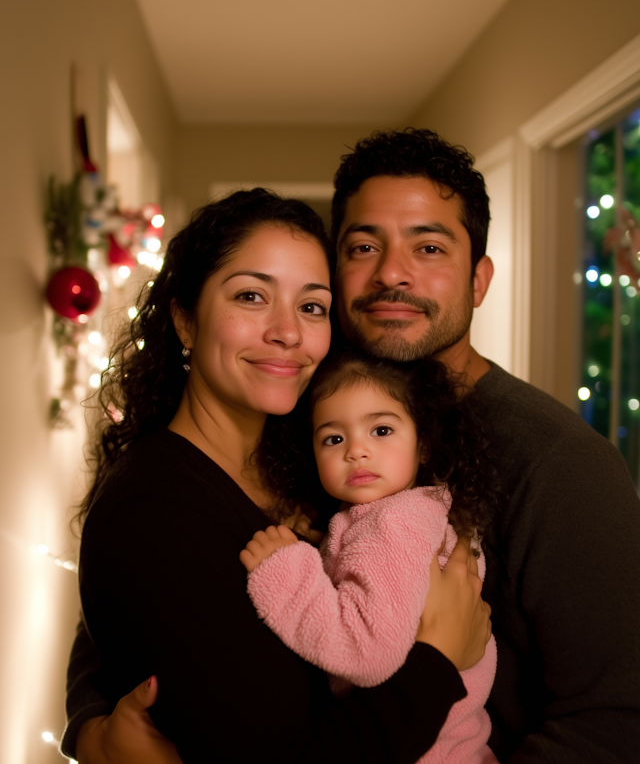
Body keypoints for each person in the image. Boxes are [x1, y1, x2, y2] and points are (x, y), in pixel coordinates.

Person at [65, 128, 640, 763]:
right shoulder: (304, 416)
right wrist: (94, 721)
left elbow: (611, 724)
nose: (393, 273)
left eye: (428, 246)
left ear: (478, 281)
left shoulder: (561, 465)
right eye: (365, 246)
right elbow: (151, 596)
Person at [66, 187, 491, 764]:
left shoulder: (315, 459)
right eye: (251, 296)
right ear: (185, 320)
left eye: (311, 306)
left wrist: (87, 716)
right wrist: (441, 657)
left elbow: (131, 627)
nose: (288, 332)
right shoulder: (156, 508)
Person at [240, 349, 499, 764]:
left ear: (424, 444)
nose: (356, 451)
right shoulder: (413, 511)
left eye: (380, 430)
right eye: (334, 438)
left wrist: (287, 571)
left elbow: (367, 653)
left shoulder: (394, 525)